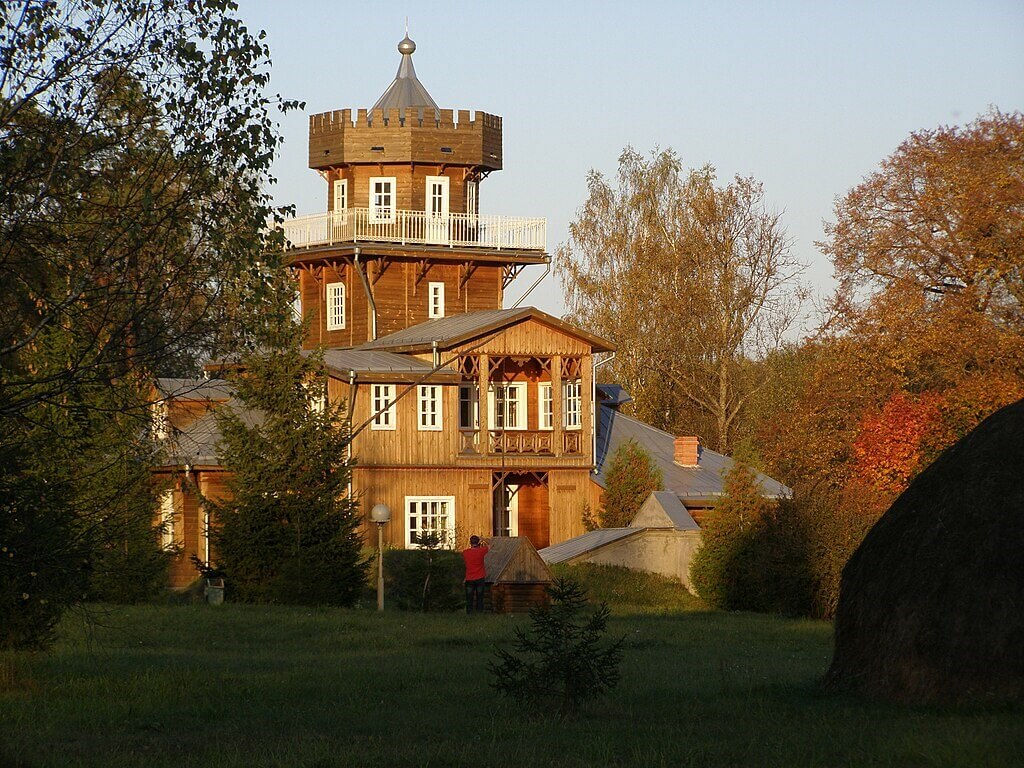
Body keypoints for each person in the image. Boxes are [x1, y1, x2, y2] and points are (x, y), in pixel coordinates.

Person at [462, 535, 489, 614]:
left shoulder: (465, 552)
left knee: (469, 597)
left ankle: (469, 613)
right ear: (478, 542)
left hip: (469, 578)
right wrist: (483, 539)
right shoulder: (481, 551)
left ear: (470, 542)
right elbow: (491, 545)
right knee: (479, 597)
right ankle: (479, 612)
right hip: (480, 577)